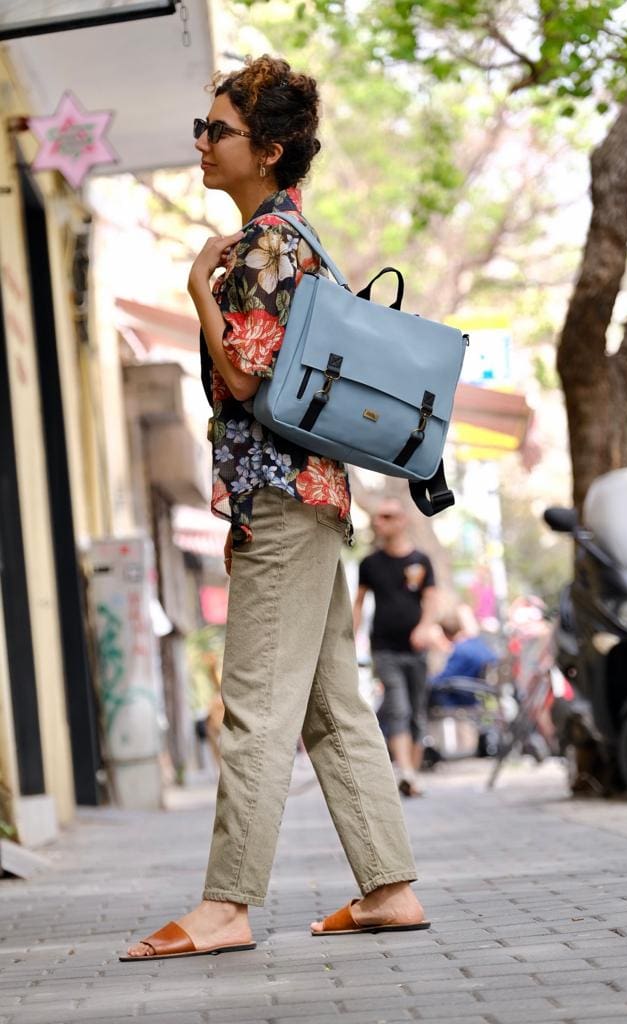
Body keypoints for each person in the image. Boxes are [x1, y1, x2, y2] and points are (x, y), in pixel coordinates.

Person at [122, 55, 427, 963]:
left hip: (281, 499)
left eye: (217, 130)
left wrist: (195, 301)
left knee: (252, 704)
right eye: (201, 128)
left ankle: (226, 905)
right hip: (318, 495)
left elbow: (246, 377)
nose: (201, 143)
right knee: (329, 705)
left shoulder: (263, 247)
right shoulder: (303, 240)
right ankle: (390, 886)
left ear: (271, 149)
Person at [354, 498, 438, 798]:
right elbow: (359, 604)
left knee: (417, 711)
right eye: (377, 517)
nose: (380, 522)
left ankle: (411, 776)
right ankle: (405, 771)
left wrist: (425, 627)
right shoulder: (369, 563)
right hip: (384, 648)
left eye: (387, 516)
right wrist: (349, 640)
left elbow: (431, 599)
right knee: (397, 708)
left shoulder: (420, 561)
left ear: (402, 521)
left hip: (416, 649)